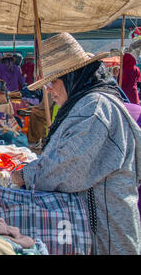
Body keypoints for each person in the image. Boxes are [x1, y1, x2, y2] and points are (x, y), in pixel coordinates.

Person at [11, 33, 141, 255]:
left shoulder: (94, 108)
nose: (49, 90)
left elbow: (67, 168)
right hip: (96, 231)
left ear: (72, 77)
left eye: (52, 82)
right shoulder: (85, 104)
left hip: (106, 238)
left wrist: (24, 174)